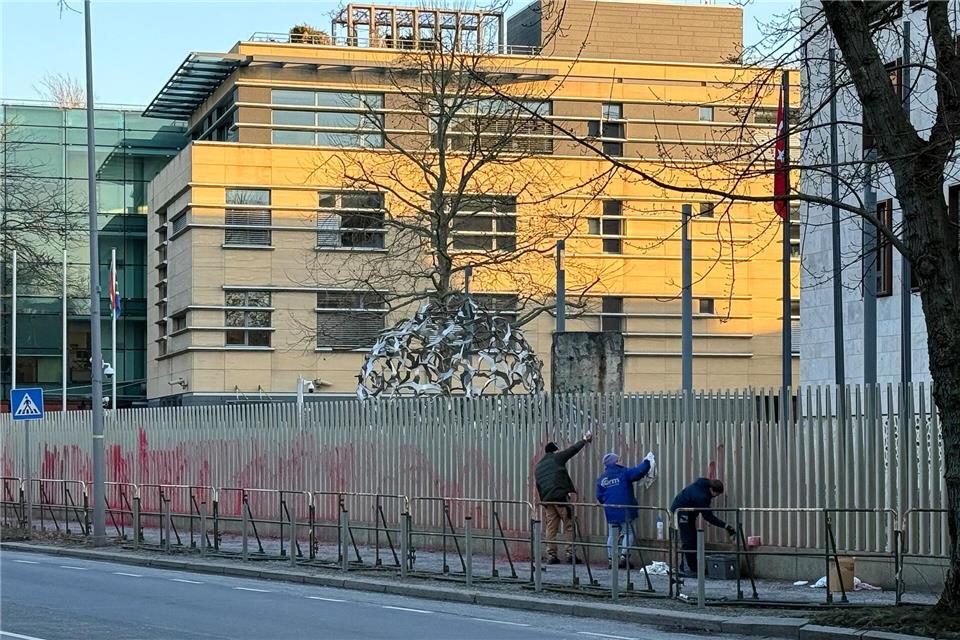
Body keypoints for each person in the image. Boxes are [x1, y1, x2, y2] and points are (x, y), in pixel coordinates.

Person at [535, 431, 593, 564]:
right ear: (554, 451)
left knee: (551, 527)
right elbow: (572, 450)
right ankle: (570, 554)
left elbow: (539, 485)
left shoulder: (539, 466)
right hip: (560, 497)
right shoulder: (556, 458)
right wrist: (584, 440)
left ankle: (551, 555)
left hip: (547, 500)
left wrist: (544, 501)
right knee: (569, 525)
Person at [595, 451, 656, 568]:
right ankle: (624, 557)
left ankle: (611, 560)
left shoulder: (602, 478)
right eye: (618, 460)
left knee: (612, 535)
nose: (620, 461)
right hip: (625, 509)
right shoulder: (623, 472)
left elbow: (599, 495)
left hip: (611, 510)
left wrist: (608, 502)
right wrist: (648, 461)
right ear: (615, 462)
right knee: (628, 532)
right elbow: (638, 472)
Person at [670, 478, 736, 576]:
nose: (716, 497)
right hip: (681, 511)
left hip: (688, 511)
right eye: (716, 494)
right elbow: (709, 517)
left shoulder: (705, 484)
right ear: (712, 490)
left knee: (694, 539)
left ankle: (693, 568)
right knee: (688, 540)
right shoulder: (702, 497)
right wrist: (726, 526)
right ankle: (686, 569)